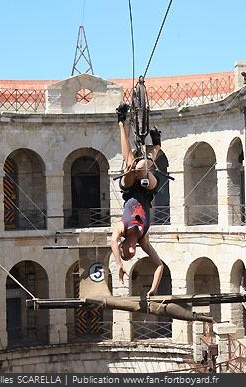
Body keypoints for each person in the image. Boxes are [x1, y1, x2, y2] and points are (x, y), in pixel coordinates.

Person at [110, 102, 164, 299]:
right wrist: (153, 289)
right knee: (142, 166)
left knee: (131, 165)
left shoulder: (121, 228)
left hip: (130, 190)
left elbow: (112, 243)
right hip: (147, 190)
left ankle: (121, 122)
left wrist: (119, 264)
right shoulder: (144, 240)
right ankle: (155, 147)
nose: (129, 255)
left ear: (124, 247)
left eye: (125, 254)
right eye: (129, 257)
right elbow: (159, 266)